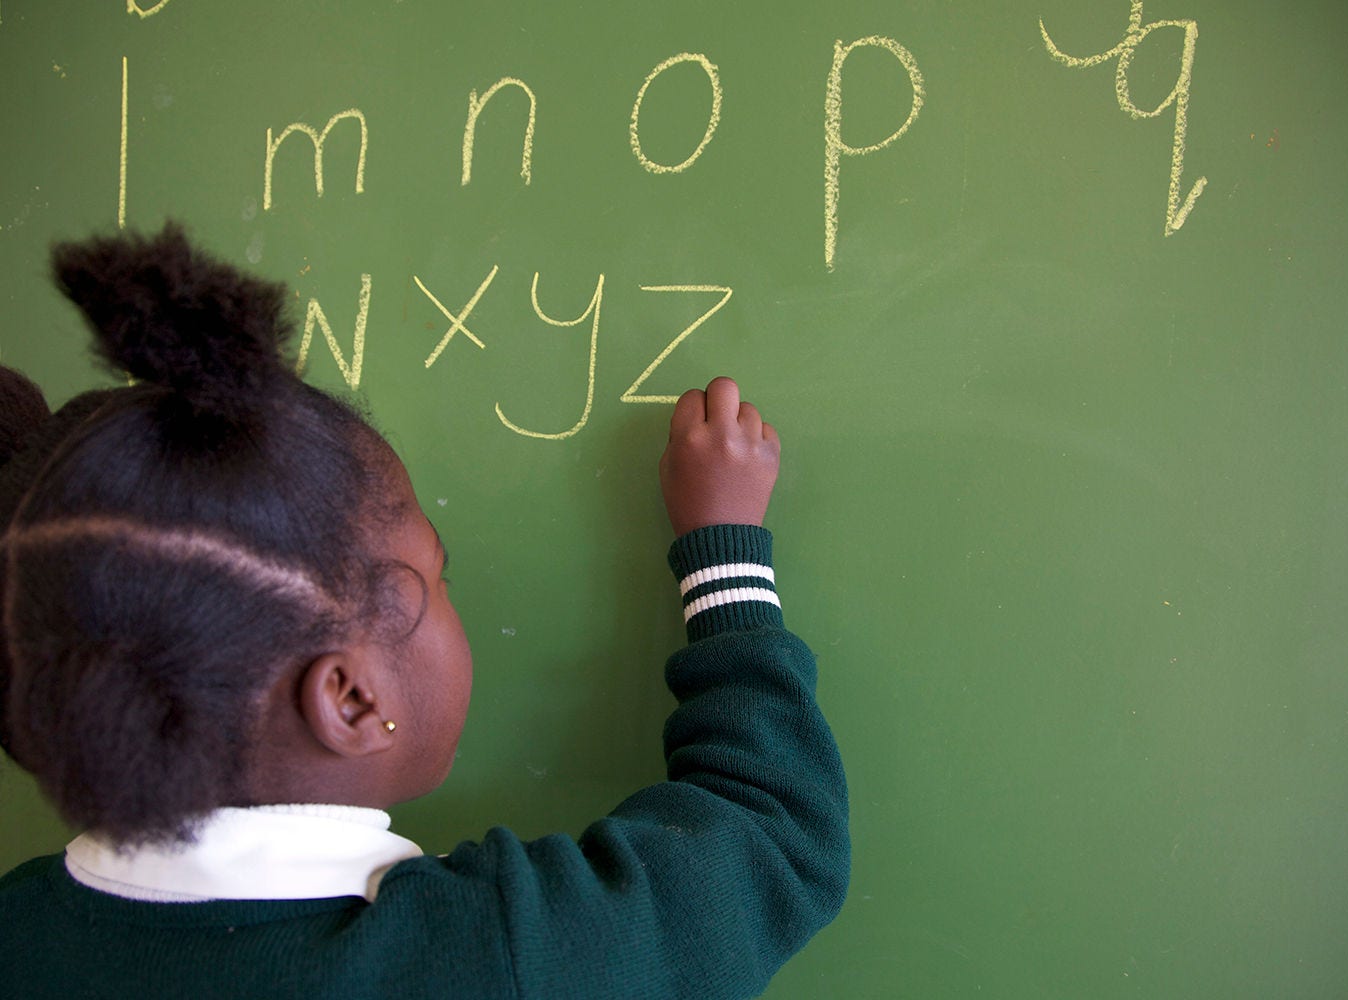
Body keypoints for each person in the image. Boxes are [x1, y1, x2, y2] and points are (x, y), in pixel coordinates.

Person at [0, 224, 849, 999]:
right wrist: (726, 548)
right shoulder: (500, 954)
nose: (449, 591)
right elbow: (773, 837)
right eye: (438, 575)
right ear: (353, 700)